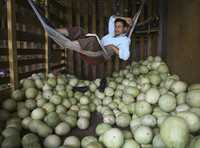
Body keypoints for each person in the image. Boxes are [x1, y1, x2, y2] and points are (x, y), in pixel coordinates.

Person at [57, 15, 132, 61]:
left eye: (119, 27)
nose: (116, 29)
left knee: (93, 40)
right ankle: (54, 31)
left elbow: (125, 56)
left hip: (98, 56)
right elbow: (112, 18)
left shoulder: (125, 40)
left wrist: (112, 46)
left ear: (125, 29)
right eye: (115, 26)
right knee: (79, 30)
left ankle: (64, 43)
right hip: (90, 50)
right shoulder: (112, 33)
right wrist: (124, 18)